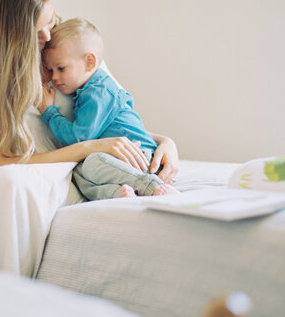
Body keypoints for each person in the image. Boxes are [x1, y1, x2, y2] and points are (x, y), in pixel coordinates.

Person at [0, 0, 179, 179]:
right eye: (34, 33)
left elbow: (114, 115)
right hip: (47, 175)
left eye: (50, 21)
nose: (47, 37)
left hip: (96, 165)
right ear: (9, 36)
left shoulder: (67, 43)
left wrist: (165, 142)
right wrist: (87, 148)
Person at [38, 18, 179, 200]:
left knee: (92, 163)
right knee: (79, 175)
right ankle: (118, 194)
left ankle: (153, 186)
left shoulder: (99, 92)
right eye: (50, 70)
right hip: (126, 161)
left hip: (141, 157)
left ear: (89, 62)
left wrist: (49, 112)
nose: (54, 77)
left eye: (61, 68)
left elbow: (79, 139)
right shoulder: (86, 91)